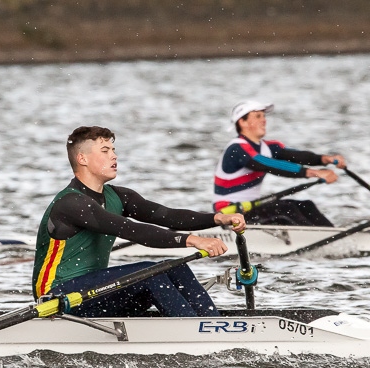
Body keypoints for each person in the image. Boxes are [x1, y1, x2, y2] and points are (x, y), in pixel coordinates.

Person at [32, 126, 246, 318]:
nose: (114, 156)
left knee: (174, 268)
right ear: (82, 159)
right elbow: (133, 230)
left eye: (113, 150)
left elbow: (166, 215)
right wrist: (192, 240)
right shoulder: (71, 203)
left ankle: (212, 324)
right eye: (105, 151)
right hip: (58, 296)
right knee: (150, 273)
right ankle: (196, 332)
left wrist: (218, 218)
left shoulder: (119, 197)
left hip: (97, 291)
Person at [213, 100, 347, 226]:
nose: (264, 120)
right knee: (285, 208)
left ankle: (337, 237)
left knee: (306, 205)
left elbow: (297, 156)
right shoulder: (236, 148)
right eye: (258, 116)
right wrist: (314, 173)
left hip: (251, 208)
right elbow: (268, 164)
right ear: (242, 122)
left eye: (264, 116)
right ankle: (320, 242)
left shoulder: (268, 147)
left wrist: (326, 159)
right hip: (229, 213)